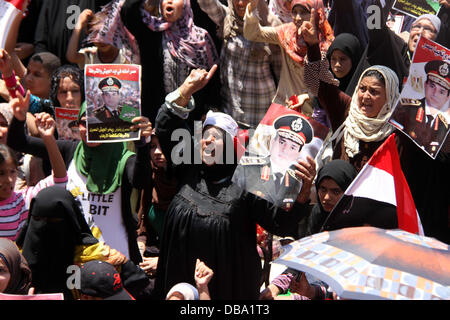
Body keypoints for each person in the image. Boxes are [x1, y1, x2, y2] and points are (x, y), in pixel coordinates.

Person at [152, 65, 315, 300]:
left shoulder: (247, 183)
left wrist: (303, 191)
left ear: (230, 146)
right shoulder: (188, 169)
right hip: (177, 287)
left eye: (216, 137)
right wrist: (187, 89)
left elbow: (280, 223)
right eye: (204, 135)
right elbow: (165, 125)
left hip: (226, 290)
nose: (207, 140)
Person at [7, 95, 152, 264]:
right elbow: (18, 142)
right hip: (74, 259)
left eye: (97, 122)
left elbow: (141, 181)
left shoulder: (124, 159)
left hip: (118, 259)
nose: (88, 129)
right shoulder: (69, 151)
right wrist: (19, 118)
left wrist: (143, 144)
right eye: (84, 123)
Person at [303, 16, 400, 172]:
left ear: (389, 97)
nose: (366, 96)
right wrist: (313, 45)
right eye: (362, 89)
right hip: (338, 193)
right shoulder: (346, 110)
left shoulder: (397, 133)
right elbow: (322, 86)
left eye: (374, 91)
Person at [196, 0, 280, 128]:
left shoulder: (272, 26)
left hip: (261, 114)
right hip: (230, 111)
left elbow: (282, 74)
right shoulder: (227, 19)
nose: (240, 3)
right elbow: (207, 3)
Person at [243, 0, 334, 117]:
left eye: (303, 12)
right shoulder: (287, 33)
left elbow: (329, 86)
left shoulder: (328, 45)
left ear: (317, 13)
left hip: (313, 112)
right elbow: (252, 34)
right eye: (294, 12)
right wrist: (253, 7)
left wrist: (308, 97)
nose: (297, 18)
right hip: (284, 105)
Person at [1, 93, 67, 241]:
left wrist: (49, 138)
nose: (8, 179)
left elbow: (60, 180)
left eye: (12, 172)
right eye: (1, 173)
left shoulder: (22, 201)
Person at [234, 113, 314, 209]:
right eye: (282, 142)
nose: (285, 150)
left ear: (298, 153)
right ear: (272, 142)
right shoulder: (248, 168)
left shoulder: (296, 182)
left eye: (293, 147)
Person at [391, 60, 449, 157]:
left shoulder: (444, 126)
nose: (435, 94)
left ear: (448, 97)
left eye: (441, 92)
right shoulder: (405, 109)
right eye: (432, 86)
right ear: (425, 85)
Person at [66, 7, 134, 69]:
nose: (101, 40)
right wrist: (79, 24)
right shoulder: (90, 56)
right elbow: (72, 57)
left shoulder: (126, 55)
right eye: (95, 34)